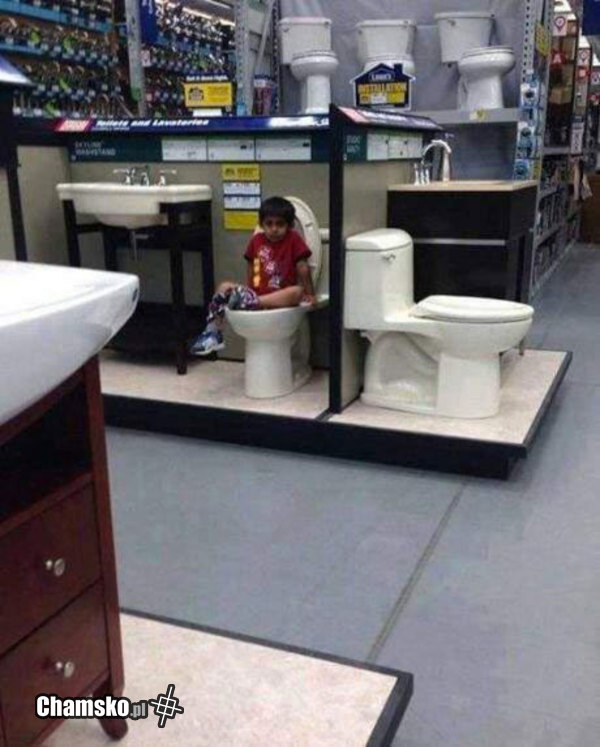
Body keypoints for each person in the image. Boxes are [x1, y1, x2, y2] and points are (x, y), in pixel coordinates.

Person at [191, 196, 315, 356]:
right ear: (261, 224)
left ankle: (252, 302)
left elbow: (303, 267)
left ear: (290, 225)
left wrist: (310, 293)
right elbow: (251, 266)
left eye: (280, 224)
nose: (274, 229)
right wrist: (248, 290)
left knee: (297, 291)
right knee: (224, 287)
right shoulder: (257, 240)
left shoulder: (294, 239)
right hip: (256, 294)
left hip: (280, 297)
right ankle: (213, 332)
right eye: (269, 224)